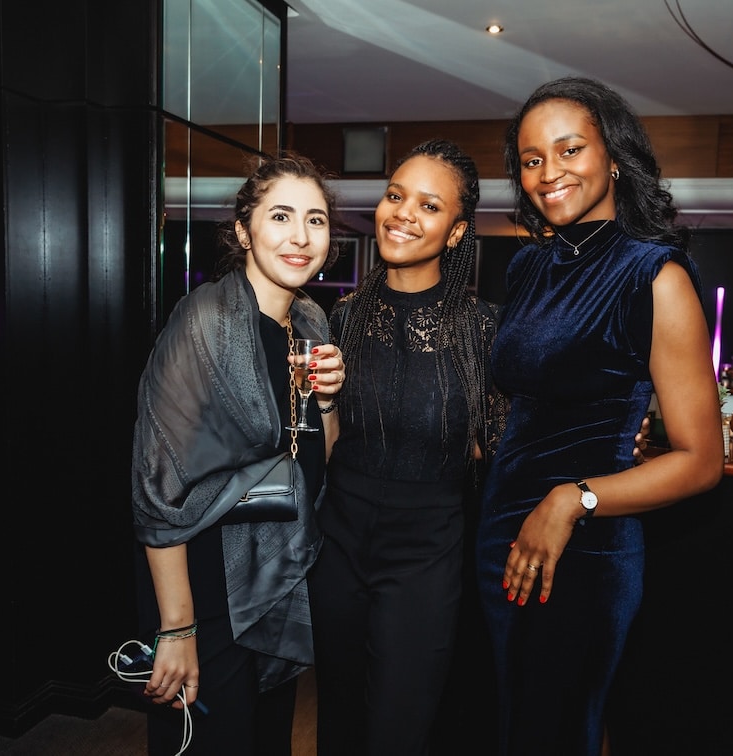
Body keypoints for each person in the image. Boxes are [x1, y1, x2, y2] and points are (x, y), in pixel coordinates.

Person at [476, 76, 726, 755]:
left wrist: (572, 500)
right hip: (503, 533)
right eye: (532, 159)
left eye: (569, 149)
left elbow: (702, 462)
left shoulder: (655, 275)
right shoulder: (528, 268)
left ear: (613, 157)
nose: (548, 172)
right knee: (513, 724)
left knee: (557, 729)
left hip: (584, 544)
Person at [130, 152, 346, 756]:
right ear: (244, 232)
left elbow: (320, 460)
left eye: (316, 219)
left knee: (266, 738)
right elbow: (158, 489)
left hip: (276, 573)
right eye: (280, 216)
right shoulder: (204, 321)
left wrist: (329, 400)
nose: (300, 236)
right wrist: (178, 628)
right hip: (203, 584)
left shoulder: (311, 322)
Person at [307, 139, 506, 756]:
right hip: (338, 543)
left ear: (456, 232)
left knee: (401, 726)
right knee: (338, 716)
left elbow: (502, 446)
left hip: (427, 551)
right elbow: (327, 444)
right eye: (396, 196)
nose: (403, 214)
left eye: (429, 205)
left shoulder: (483, 327)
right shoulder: (341, 317)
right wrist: (321, 402)